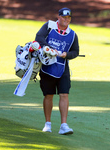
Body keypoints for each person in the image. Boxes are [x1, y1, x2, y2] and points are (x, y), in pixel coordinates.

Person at [35, 7, 79, 135]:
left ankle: (64, 125)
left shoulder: (72, 34)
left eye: (69, 18)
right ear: (58, 17)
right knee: (48, 95)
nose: (66, 20)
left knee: (64, 94)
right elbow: (39, 38)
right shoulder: (49, 26)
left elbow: (75, 52)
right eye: (64, 17)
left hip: (63, 67)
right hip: (47, 66)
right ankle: (47, 124)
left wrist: (67, 54)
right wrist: (48, 48)